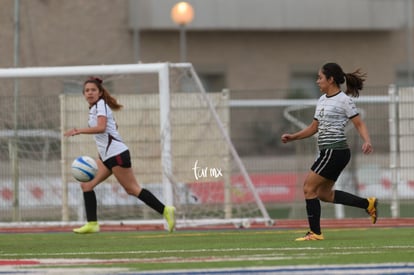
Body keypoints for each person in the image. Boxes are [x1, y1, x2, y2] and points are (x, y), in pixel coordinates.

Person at [64, 77, 176, 234]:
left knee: (132, 189)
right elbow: (112, 127)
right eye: (87, 90)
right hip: (107, 156)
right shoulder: (95, 108)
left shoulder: (101, 105)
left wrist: (79, 130)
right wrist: (102, 148)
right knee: (87, 185)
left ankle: (165, 210)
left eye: (93, 90)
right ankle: (92, 224)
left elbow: (102, 128)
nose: (90, 93)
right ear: (83, 94)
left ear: (100, 92)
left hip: (116, 154)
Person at [281, 62, 377, 241]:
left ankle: (315, 233)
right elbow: (314, 127)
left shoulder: (344, 100)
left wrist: (367, 141)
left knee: (308, 188)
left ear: (331, 79)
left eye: (320, 78)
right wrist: (293, 137)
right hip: (330, 153)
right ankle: (368, 204)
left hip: (335, 151)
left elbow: (359, 123)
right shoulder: (322, 99)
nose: (317, 81)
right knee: (323, 194)